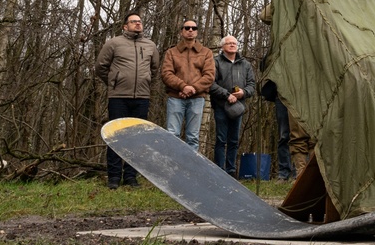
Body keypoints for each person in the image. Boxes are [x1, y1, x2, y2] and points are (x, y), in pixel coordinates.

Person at [95, 11, 160, 189]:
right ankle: (114, 177)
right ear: (125, 26)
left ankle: (131, 177)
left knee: (137, 138)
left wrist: (145, 81)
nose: (138, 24)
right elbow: (101, 67)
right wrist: (114, 82)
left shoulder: (150, 45)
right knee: (116, 136)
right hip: (118, 97)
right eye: (133, 22)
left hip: (142, 97)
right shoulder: (114, 43)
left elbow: (154, 69)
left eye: (139, 21)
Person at [160, 19, 216, 150]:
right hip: (175, 97)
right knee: (172, 134)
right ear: (181, 31)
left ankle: (190, 169)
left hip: (197, 98)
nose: (190, 30)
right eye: (187, 28)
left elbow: (209, 76)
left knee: (193, 137)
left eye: (194, 28)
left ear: (197, 32)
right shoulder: (171, 52)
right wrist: (183, 87)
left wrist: (193, 89)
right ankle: (171, 167)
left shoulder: (206, 52)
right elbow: (166, 74)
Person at [210, 35, 257, 177]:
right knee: (220, 139)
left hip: (238, 107)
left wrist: (244, 92)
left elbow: (252, 85)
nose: (232, 45)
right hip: (221, 105)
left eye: (234, 43)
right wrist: (226, 95)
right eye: (229, 43)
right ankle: (219, 171)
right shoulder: (215, 62)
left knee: (234, 140)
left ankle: (231, 171)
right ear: (222, 47)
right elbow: (210, 84)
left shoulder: (245, 64)